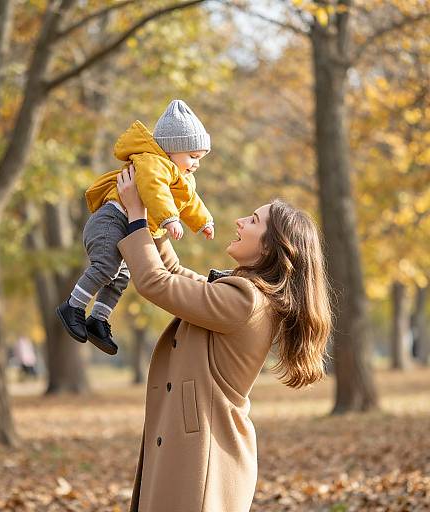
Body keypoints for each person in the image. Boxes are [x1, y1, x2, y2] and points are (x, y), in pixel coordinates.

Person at [115, 166, 332, 512]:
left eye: (254, 221)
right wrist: (156, 219)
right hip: (198, 451)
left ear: (271, 248)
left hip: (204, 459)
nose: (240, 221)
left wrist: (137, 218)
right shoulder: (244, 295)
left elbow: (157, 283)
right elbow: (174, 276)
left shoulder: (245, 301)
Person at [57, 100, 214, 355]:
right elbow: (154, 191)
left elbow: (191, 201)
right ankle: (73, 306)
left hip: (127, 225)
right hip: (112, 221)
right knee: (106, 267)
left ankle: (98, 320)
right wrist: (169, 219)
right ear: (171, 150)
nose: (196, 164)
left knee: (121, 277)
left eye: (200, 158)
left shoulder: (182, 177)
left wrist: (203, 222)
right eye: (193, 157)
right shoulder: (153, 163)